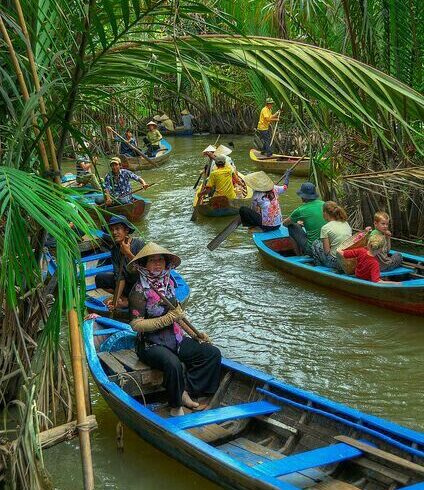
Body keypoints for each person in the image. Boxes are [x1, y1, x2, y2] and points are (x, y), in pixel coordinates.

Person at [128, 242, 222, 416]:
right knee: (173, 364)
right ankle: (175, 405)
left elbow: (178, 315)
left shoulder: (168, 284)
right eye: (152, 260)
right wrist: (165, 320)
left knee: (211, 353)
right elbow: (136, 325)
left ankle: (186, 390)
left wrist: (196, 334)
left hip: (175, 339)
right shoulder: (139, 290)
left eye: (160, 260)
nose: (157, 264)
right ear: (144, 264)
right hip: (151, 344)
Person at [95, 215, 145, 309]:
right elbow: (120, 278)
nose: (114, 232)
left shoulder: (139, 244)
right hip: (128, 283)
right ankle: (124, 298)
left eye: (118, 229)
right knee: (100, 278)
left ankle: (129, 301)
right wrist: (115, 301)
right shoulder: (115, 250)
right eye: (112, 229)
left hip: (143, 284)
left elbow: (146, 271)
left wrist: (128, 253)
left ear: (126, 230)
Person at [283, 183, 326, 255]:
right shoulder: (324, 204)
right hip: (326, 245)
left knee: (291, 226)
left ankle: (298, 255)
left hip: (312, 249)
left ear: (303, 196)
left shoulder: (300, 210)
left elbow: (285, 223)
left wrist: (296, 223)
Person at [311, 201, 352, 268]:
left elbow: (327, 252)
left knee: (316, 243)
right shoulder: (345, 223)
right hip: (346, 259)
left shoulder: (325, 228)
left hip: (335, 262)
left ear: (325, 213)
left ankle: (318, 267)